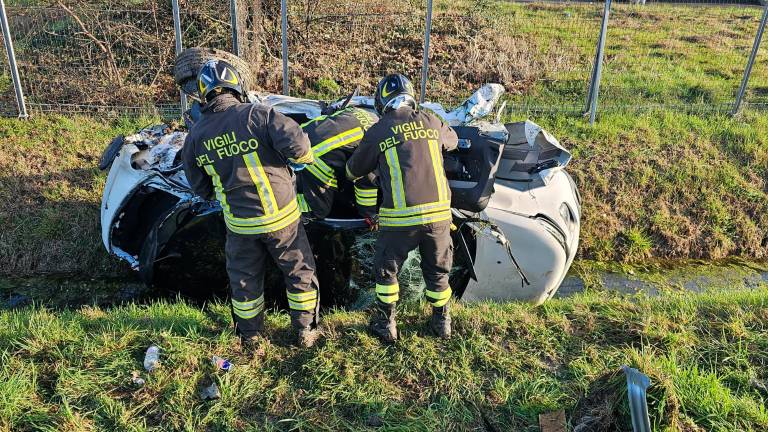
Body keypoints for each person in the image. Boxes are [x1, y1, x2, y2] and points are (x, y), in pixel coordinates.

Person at [181, 60, 320, 348]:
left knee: (245, 281)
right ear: (237, 88)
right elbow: (301, 149)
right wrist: (301, 163)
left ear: (204, 95)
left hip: (240, 224)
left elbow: (200, 187)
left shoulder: (195, 136)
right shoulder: (259, 114)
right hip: (282, 218)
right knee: (298, 271)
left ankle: (251, 337)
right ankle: (305, 330)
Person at [345, 74, 459, 343]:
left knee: (387, 270)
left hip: (400, 219)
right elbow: (452, 141)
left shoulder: (379, 130)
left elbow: (352, 171)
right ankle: (442, 323)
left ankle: (386, 325)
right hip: (439, 216)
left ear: (381, 102)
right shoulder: (431, 119)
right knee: (438, 270)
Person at [296, 107, 380, 221]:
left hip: (297, 136)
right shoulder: (376, 146)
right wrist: (369, 215)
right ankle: (296, 214)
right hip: (310, 155)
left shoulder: (370, 115)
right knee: (319, 210)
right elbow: (366, 181)